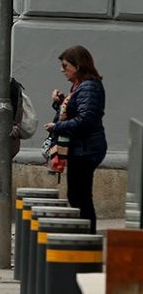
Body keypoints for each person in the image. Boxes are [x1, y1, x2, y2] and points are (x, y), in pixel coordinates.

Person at [46, 45, 107, 233]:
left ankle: (87, 237)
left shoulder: (89, 86)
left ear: (78, 65)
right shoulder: (81, 86)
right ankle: (85, 235)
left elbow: (85, 120)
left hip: (86, 149)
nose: (62, 70)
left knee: (80, 196)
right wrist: (61, 102)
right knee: (77, 194)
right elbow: (76, 111)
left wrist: (57, 127)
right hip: (81, 148)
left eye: (65, 66)